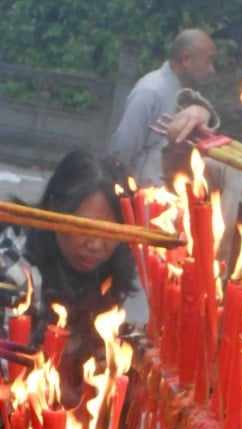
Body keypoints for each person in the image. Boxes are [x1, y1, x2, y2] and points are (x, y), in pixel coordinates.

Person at [0, 150, 135, 397]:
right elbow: (9, 379)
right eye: (84, 227)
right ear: (55, 209)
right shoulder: (13, 272)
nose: (96, 245)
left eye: (111, 232)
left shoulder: (108, 269)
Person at [110, 29, 220, 186]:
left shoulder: (188, 94)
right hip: (145, 192)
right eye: (208, 61)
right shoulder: (149, 91)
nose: (211, 70)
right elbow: (122, 151)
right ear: (186, 59)